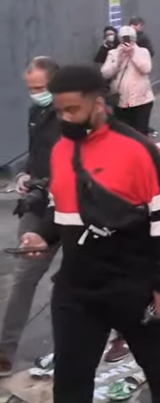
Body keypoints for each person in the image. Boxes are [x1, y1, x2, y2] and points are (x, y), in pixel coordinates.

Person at [18, 64, 160, 402]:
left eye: (72, 110)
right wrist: (44, 237)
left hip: (133, 287)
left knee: (158, 363)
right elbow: (61, 204)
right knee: (70, 377)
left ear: (97, 103)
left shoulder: (140, 150)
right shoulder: (61, 149)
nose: (64, 118)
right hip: (76, 289)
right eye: (60, 110)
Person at [0, 58, 64, 376]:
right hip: (39, 205)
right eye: (30, 89)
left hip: (74, 206)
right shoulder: (35, 112)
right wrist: (26, 173)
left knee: (94, 276)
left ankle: (122, 335)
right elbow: (36, 153)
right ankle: (5, 352)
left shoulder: (72, 115)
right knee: (24, 277)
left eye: (40, 88)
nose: (35, 94)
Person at [101, 25, 155, 135]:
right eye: (124, 38)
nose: (127, 42)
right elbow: (105, 73)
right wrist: (118, 60)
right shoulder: (113, 53)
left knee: (140, 132)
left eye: (129, 38)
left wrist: (133, 55)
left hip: (142, 99)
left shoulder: (143, 52)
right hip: (121, 99)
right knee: (124, 132)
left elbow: (146, 68)